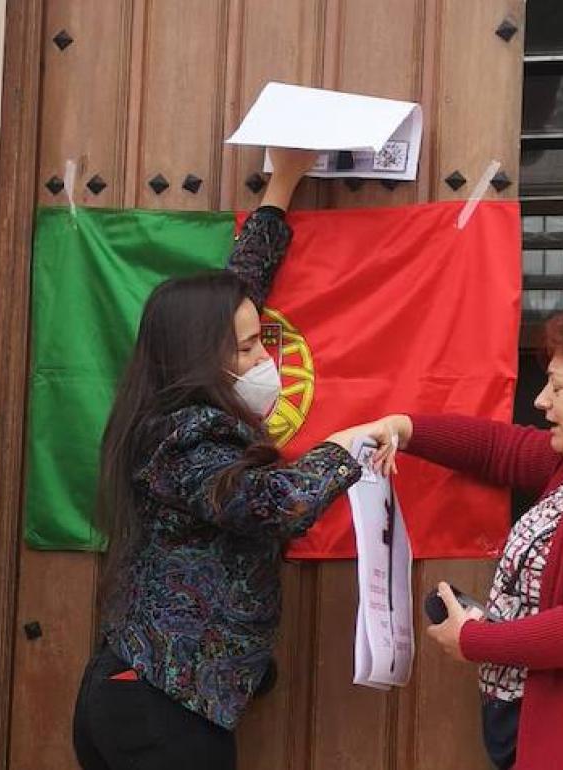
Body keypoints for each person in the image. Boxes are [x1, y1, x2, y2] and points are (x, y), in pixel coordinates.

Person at [71, 148, 366, 770]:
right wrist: (356, 440)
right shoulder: (186, 436)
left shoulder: (167, 408)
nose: (266, 360)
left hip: (149, 696)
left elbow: (237, 290)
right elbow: (275, 504)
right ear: (204, 358)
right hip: (161, 708)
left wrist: (281, 185)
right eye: (251, 347)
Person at [344, 306, 563, 770]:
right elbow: (499, 448)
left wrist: (476, 640)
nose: (541, 401)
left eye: (558, 387)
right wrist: (403, 429)